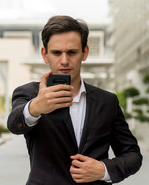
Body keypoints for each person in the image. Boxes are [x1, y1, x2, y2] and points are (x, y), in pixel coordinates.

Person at [7, 15, 142, 185]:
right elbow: (14, 125)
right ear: (45, 54)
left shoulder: (107, 101)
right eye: (56, 53)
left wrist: (103, 169)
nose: (64, 61)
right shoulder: (29, 93)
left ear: (84, 53)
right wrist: (35, 107)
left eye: (72, 52)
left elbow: (133, 155)